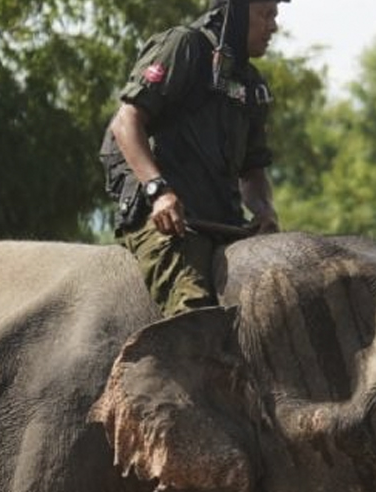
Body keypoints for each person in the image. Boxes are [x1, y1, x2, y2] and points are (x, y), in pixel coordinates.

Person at [101, 0, 286, 317]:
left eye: (275, 16)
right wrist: (158, 192)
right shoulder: (184, 45)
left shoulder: (253, 85)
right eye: (266, 14)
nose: (274, 27)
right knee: (196, 314)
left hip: (223, 224)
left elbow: (253, 169)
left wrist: (263, 209)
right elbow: (125, 122)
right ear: (237, 13)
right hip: (164, 218)